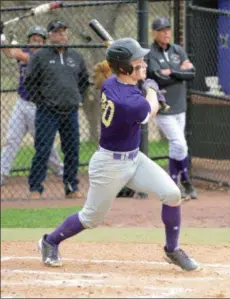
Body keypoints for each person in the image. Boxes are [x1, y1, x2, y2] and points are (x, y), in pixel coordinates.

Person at [37, 38, 199, 272]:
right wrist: (152, 90)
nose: (143, 63)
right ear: (124, 68)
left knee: (172, 194)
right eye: (138, 62)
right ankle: (49, 241)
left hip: (134, 158)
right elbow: (148, 111)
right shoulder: (126, 102)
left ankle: (172, 250)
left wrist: (146, 87)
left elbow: (135, 90)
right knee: (91, 218)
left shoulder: (113, 82)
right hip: (109, 166)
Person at [23, 19, 90, 199]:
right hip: (47, 112)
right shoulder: (40, 56)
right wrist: (42, 101)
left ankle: (71, 187)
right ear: (50, 35)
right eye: (58, 32)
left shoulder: (75, 56)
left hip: (70, 111)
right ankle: (35, 188)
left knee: (72, 150)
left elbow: (84, 80)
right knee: (43, 149)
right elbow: (29, 82)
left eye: (64, 32)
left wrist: (77, 99)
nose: (62, 35)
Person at [0, 22, 63, 187]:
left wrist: (12, 46)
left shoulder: (46, 56)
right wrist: (1, 36)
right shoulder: (24, 51)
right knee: (11, 140)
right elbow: (8, 52)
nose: (35, 42)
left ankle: (61, 170)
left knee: (44, 143)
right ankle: (1, 173)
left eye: (39, 40)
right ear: (28, 40)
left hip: (39, 107)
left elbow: (18, 55)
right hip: (21, 104)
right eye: (33, 39)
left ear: (44, 42)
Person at [147, 17, 198, 200]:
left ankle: (171, 182)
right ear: (154, 33)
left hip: (180, 106)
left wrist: (172, 72)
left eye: (168, 29)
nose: (166, 33)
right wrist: (179, 72)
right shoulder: (150, 53)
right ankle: (185, 181)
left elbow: (191, 74)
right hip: (164, 107)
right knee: (180, 144)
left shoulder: (177, 50)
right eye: (161, 30)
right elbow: (158, 78)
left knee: (175, 147)